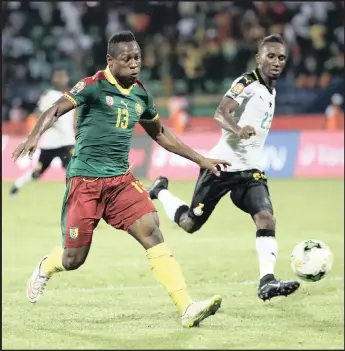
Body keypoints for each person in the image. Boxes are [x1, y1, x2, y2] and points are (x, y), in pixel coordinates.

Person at [12, 31, 230, 328]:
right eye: (126, 58)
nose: (134, 63)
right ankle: (46, 267)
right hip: (85, 183)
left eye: (137, 57)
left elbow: (161, 134)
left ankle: (187, 307)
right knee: (74, 259)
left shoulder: (141, 94)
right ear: (110, 60)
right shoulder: (93, 86)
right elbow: (55, 110)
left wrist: (201, 159)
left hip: (120, 182)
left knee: (152, 230)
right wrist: (34, 136)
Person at [148, 34, 300, 302]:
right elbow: (220, 112)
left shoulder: (271, 89)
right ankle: (160, 190)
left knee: (266, 218)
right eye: (271, 56)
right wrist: (238, 129)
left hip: (251, 171)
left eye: (281, 57)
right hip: (221, 167)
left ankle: (267, 281)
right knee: (189, 223)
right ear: (259, 58)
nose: (276, 62)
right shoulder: (246, 83)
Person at [10, 66, 76, 196]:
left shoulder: (73, 95)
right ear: (53, 79)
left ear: (67, 78)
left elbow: (73, 119)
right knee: (38, 173)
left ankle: (70, 200)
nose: (61, 79)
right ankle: (17, 184)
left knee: (73, 171)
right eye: (58, 76)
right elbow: (39, 113)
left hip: (67, 141)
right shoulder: (49, 95)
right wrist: (51, 121)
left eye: (63, 76)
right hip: (50, 143)